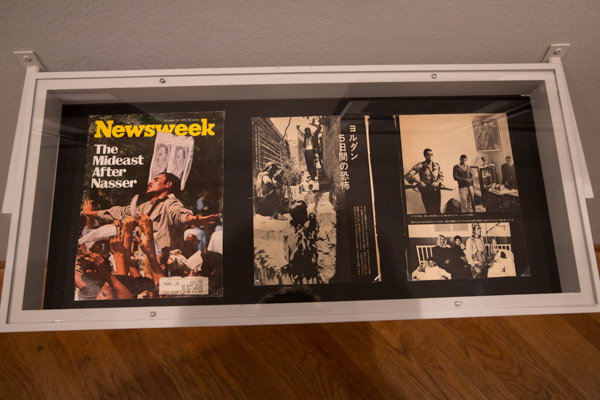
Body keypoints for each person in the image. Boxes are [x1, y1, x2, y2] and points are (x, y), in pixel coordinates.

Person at [84, 172, 219, 251]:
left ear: (168, 185)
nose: (150, 182)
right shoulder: (145, 207)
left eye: (156, 180)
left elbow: (179, 213)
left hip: (162, 267)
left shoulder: (170, 203)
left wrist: (191, 219)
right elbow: (120, 211)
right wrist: (92, 214)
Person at [282, 200, 321, 284]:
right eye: (305, 212)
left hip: (293, 263)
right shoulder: (301, 234)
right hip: (300, 268)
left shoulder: (289, 225)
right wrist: (311, 222)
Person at [404, 148, 444, 214]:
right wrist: (419, 182)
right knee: (429, 210)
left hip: (436, 189)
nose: (430, 156)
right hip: (425, 190)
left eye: (432, 154)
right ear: (424, 156)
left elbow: (441, 176)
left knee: (437, 210)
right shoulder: (420, 165)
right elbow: (408, 175)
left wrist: (437, 182)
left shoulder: (436, 165)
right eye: (428, 155)